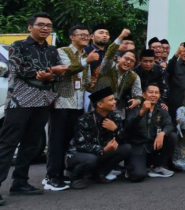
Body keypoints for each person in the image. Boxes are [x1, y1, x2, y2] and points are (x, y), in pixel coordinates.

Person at [0, 13, 68, 201]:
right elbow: (17, 69)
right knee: (7, 144)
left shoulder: (52, 50)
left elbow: (61, 74)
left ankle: (20, 182)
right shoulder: (18, 46)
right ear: (30, 27)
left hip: (43, 101)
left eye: (49, 25)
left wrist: (51, 75)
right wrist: (49, 72)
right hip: (20, 101)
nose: (45, 28)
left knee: (30, 145)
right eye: (41, 25)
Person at [45, 25, 99, 190]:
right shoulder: (62, 52)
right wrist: (86, 62)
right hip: (62, 103)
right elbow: (65, 71)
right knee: (56, 142)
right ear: (72, 37)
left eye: (87, 35)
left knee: (70, 141)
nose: (85, 37)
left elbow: (87, 82)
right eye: (82, 35)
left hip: (77, 104)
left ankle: (63, 174)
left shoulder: (86, 55)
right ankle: (51, 177)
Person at [65, 87, 131, 189]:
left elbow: (125, 139)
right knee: (91, 159)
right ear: (100, 104)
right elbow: (81, 145)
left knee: (126, 148)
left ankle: (99, 174)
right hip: (79, 154)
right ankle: (75, 177)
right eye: (111, 100)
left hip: (102, 153)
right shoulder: (84, 119)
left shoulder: (115, 117)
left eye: (114, 99)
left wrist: (115, 129)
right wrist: (103, 149)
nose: (114, 102)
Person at [125, 84, 176, 181]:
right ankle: (131, 167)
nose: (154, 95)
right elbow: (128, 126)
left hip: (153, 146)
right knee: (137, 176)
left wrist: (162, 133)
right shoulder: (135, 109)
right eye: (151, 92)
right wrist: (141, 112)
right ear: (144, 95)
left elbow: (169, 125)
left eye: (156, 93)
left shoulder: (161, 110)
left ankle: (157, 166)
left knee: (172, 136)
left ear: (159, 96)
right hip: (138, 146)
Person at [93, 29, 141, 118]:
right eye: (126, 58)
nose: (128, 62)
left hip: (116, 107)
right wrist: (121, 37)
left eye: (132, 61)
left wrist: (137, 101)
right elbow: (109, 54)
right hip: (97, 105)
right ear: (119, 58)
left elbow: (138, 95)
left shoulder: (134, 76)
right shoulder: (107, 67)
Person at [84, 24, 110, 111]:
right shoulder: (85, 51)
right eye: (101, 33)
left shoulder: (108, 54)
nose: (105, 35)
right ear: (92, 36)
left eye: (107, 33)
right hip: (86, 91)